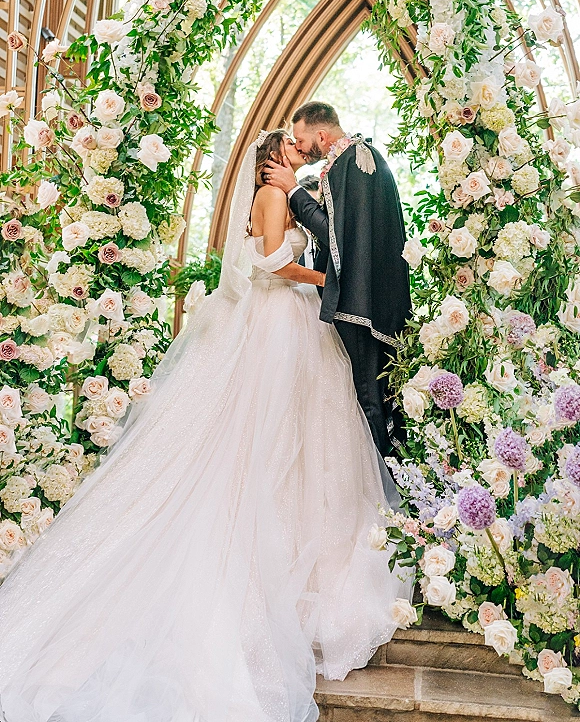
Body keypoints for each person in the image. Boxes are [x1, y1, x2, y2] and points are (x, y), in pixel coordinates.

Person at [0, 129, 411, 722]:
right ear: (272, 162)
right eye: (293, 153)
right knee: (272, 432)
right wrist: (329, 284)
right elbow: (271, 262)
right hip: (280, 321)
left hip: (292, 322)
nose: (301, 158)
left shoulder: (286, 195)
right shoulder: (272, 197)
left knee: (309, 433)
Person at [264, 103, 411, 458]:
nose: (299, 148)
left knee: (368, 396)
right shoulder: (361, 156)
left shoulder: (351, 164)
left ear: (320, 135)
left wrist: (293, 191)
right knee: (377, 393)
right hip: (375, 297)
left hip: (359, 302)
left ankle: (390, 480)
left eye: (300, 140)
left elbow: (336, 236)